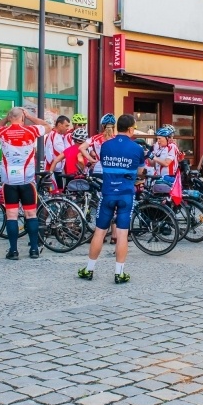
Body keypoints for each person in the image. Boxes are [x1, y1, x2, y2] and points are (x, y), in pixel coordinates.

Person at [78, 114, 145, 283]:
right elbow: (140, 171)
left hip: (107, 193)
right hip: (126, 194)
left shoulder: (105, 146)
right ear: (130, 129)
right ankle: (119, 273)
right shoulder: (137, 148)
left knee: (99, 232)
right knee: (122, 234)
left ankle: (89, 269)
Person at [0, 107, 52, 260]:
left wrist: (6, 118)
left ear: (10, 117)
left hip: (9, 182)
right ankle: (34, 249)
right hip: (27, 181)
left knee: (11, 216)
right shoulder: (31, 131)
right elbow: (48, 126)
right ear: (22, 118)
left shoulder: (2, 132)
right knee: (31, 215)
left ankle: (14, 250)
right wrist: (30, 116)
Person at [80, 113, 117, 177]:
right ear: (114, 126)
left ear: (102, 126)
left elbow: (81, 147)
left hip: (98, 168)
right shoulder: (117, 139)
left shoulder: (95, 138)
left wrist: (92, 160)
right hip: (113, 170)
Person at [44, 115, 72, 188]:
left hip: (58, 169)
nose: (67, 128)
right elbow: (48, 151)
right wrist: (51, 168)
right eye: (66, 125)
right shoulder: (52, 135)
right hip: (52, 169)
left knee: (60, 191)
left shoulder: (60, 135)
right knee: (55, 193)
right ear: (59, 125)